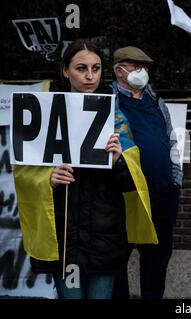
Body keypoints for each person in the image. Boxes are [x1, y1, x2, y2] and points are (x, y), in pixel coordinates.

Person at [14, 40, 137, 299]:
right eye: (81, 68)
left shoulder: (116, 116)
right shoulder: (43, 112)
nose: (90, 76)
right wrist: (47, 177)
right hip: (63, 236)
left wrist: (118, 162)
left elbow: (133, 181)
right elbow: (23, 173)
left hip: (104, 235)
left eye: (96, 68)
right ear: (65, 71)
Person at [111, 46, 183, 299]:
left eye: (145, 67)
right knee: (117, 259)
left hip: (162, 194)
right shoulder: (107, 101)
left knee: (157, 261)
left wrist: (175, 180)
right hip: (127, 196)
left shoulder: (155, 100)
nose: (142, 72)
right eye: (136, 66)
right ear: (119, 70)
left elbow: (172, 140)